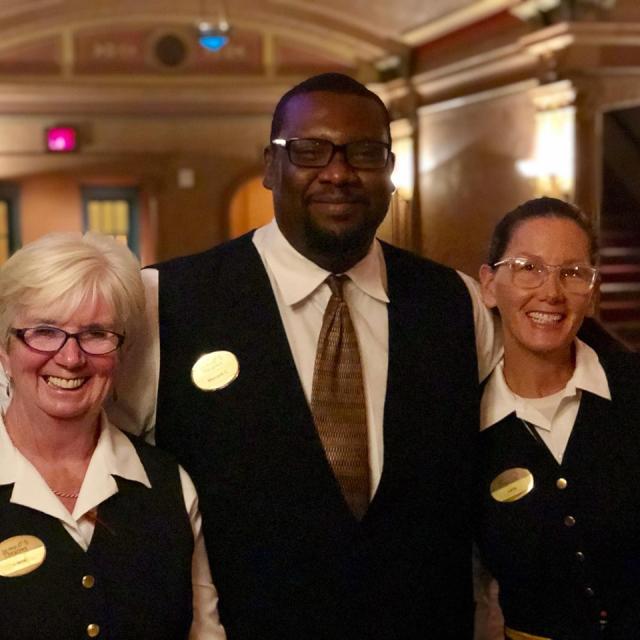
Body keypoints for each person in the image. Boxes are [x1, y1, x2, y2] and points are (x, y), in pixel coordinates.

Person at [108, 72, 501, 639]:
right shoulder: (164, 301)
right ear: (271, 166)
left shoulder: (456, 302)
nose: (338, 173)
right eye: (309, 151)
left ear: (391, 171)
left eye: (364, 153)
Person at [0, 232, 226, 640]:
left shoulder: (169, 486)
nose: (70, 359)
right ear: (4, 347)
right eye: (45, 331)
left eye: (96, 334)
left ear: (122, 352)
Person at [475, 197, 640, 640]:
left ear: (592, 291)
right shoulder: (463, 426)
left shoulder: (632, 390)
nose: (550, 291)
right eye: (528, 267)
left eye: (572, 273)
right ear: (489, 285)